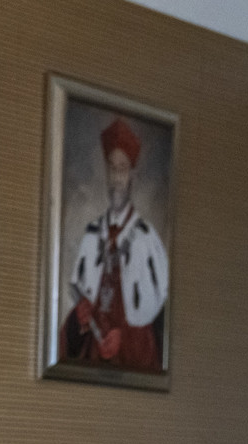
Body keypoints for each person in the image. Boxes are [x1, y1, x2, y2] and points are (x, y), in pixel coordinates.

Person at [58, 117, 168, 371]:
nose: (117, 177)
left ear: (132, 175)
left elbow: (158, 327)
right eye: (112, 168)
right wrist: (78, 322)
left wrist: (125, 339)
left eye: (123, 169)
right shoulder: (92, 235)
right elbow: (67, 342)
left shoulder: (146, 239)